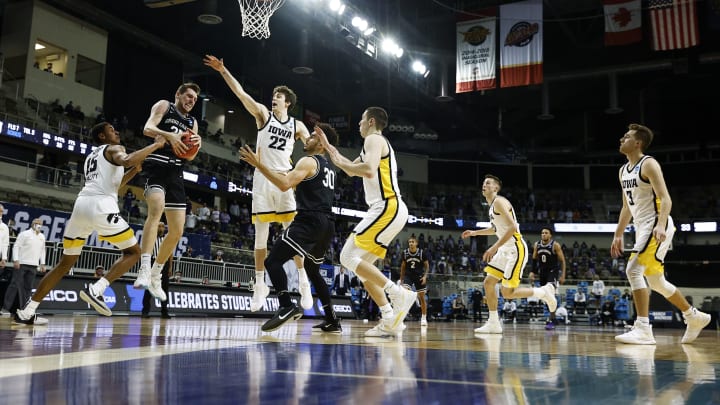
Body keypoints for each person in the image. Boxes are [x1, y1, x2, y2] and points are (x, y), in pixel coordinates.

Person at [13, 122, 166, 325]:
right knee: (134, 252)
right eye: (112, 129)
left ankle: (28, 311)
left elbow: (113, 185)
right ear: (102, 136)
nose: (117, 131)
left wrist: (133, 173)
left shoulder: (92, 156)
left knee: (64, 264)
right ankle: (97, 289)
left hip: (81, 207)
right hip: (101, 207)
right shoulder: (115, 149)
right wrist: (155, 145)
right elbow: (128, 159)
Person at [204, 54, 314, 312]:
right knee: (260, 237)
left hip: (285, 178)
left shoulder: (297, 125)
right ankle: (259, 284)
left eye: (278, 96)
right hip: (263, 179)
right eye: (274, 94)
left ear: (287, 103)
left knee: (292, 234)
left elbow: (310, 146)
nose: (273, 97)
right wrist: (223, 70)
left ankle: (303, 281)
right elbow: (242, 94)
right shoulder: (263, 115)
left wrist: (318, 142)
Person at [316, 107, 417, 337]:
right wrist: (329, 147)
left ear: (371, 122)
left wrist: (338, 157)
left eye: (361, 120)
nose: (358, 124)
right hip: (388, 209)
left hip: (387, 206)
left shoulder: (373, 139)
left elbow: (369, 170)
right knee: (364, 272)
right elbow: (351, 170)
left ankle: (397, 293)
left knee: (346, 257)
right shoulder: (371, 144)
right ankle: (391, 320)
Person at [611, 123, 710, 345]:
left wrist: (661, 224)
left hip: (656, 223)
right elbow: (627, 207)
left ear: (637, 143)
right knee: (656, 282)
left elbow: (665, 198)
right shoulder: (623, 170)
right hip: (642, 226)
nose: (621, 139)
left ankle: (643, 328)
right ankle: (694, 316)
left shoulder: (649, 164)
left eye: (626, 137)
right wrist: (618, 233)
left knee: (633, 269)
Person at [239, 123, 343, 333]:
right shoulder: (329, 166)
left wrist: (259, 165)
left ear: (321, 145)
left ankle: (286, 305)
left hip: (309, 221)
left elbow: (285, 184)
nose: (308, 139)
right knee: (313, 270)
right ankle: (332, 319)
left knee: (272, 261)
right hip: (328, 224)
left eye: (313, 136)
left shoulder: (308, 161)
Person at [462, 174, 557, 335]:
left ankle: (543, 292)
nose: (484, 185)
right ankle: (493, 323)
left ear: (495, 188)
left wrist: (494, 247)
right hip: (504, 250)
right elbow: (495, 229)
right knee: (488, 283)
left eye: (488, 183)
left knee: (507, 293)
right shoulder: (492, 206)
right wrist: (474, 233)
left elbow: (512, 227)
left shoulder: (499, 201)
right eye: (484, 183)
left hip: (515, 249)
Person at [134, 83, 202, 302]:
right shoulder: (165, 106)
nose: (191, 100)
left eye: (195, 99)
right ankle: (144, 268)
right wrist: (169, 136)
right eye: (188, 96)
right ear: (178, 95)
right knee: (156, 210)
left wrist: (196, 146)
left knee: (177, 231)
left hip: (176, 172)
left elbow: (189, 157)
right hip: (157, 165)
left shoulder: (193, 123)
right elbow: (147, 127)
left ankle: (156, 273)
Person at [1, 218, 46, 317]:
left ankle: (24, 309)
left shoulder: (42, 237)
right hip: (22, 264)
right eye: (37, 223)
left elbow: (43, 250)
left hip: (34, 265)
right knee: (14, 285)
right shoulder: (24, 234)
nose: (38, 225)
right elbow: (16, 246)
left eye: (40, 224)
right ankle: (5, 308)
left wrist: (42, 263)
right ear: (32, 224)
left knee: (28, 288)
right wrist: (16, 259)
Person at [530, 227, 566, 330]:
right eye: (542, 233)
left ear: (550, 235)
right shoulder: (537, 244)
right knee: (546, 297)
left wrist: (563, 275)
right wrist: (533, 272)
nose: (543, 234)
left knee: (550, 294)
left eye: (546, 233)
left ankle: (551, 320)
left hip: (553, 272)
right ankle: (553, 318)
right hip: (543, 273)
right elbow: (534, 259)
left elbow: (563, 261)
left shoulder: (555, 245)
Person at [142, 222, 171, 319]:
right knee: (148, 288)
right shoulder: (151, 238)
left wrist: (170, 267)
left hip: (164, 264)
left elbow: (171, 255)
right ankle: (145, 311)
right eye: (159, 226)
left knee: (164, 288)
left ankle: (164, 311)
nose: (161, 228)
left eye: (162, 226)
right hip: (152, 262)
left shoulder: (167, 239)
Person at [398, 236, 430, 326]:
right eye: (409, 242)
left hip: (419, 276)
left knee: (422, 298)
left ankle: (423, 318)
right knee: (405, 294)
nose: (411, 243)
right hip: (408, 276)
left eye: (412, 242)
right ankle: (401, 317)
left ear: (416, 243)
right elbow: (403, 267)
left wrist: (425, 276)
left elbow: (427, 266)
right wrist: (401, 279)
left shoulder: (421, 253)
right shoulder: (405, 253)